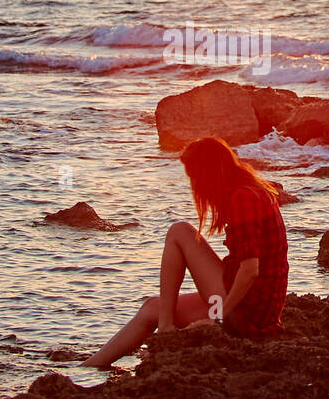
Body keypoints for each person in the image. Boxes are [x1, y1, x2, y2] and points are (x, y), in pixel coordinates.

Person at [82, 136, 289, 368]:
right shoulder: (249, 190)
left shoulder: (244, 197)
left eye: (194, 176)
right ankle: (89, 368)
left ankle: (165, 328)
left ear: (208, 172)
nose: (194, 185)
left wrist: (215, 317)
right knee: (152, 306)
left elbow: (250, 271)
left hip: (249, 311)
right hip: (252, 304)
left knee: (179, 231)